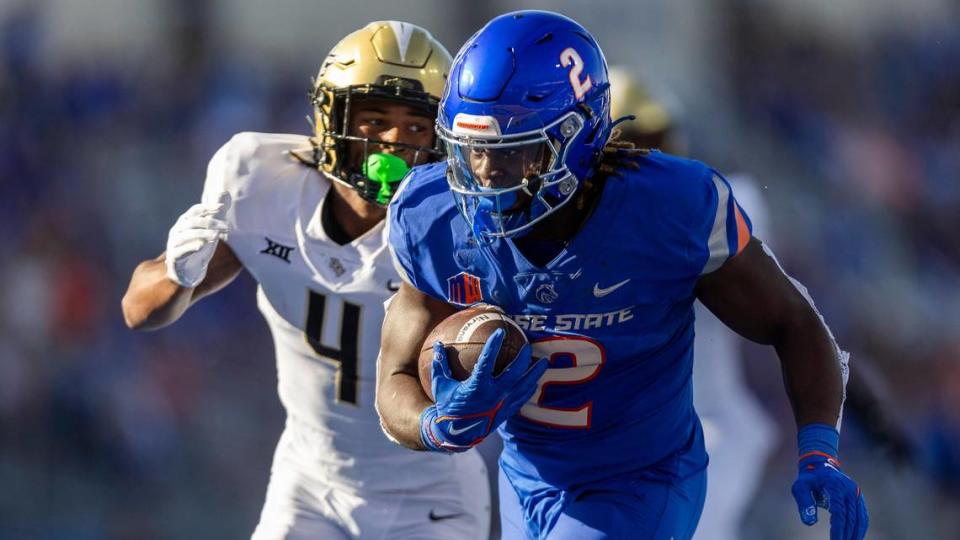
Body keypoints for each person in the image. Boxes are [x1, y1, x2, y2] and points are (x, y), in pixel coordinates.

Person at [376, 10, 867, 540]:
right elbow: (394, 378)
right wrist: (435, 424)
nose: (487, 175)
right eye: (474, 150)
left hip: (642, 478)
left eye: (513, 152)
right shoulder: (431, 215)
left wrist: (820, 448)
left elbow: (791, 320)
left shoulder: (669, 208)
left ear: (577, 137)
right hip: (525, 482)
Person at [121, 21, 490, 540]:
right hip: (311, 481)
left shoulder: (462, 224)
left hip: (431, 493)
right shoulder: (259, 180)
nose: (393, 141)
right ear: (329, 117)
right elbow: (138, 312)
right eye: (374, 119)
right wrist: (177, 274)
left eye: (416, 125)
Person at [607, 66, 778, 540]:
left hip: (706, 433)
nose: (647, 158)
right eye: (631, 146)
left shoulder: (716, 208)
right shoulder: (577, 234)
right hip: (614, 446)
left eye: (654, 141)